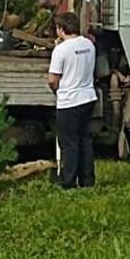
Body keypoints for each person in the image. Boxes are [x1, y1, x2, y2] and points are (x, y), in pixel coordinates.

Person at [47, 12, 99, 189]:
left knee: (69, 143)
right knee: (85, 140)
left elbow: (53, 79)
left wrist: (57, 91)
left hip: (69, 100)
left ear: (61, 29)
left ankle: (68, 182)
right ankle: (87, 180)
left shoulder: (60, 51)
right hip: (88, 97)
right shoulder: (89, 45)